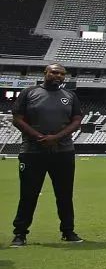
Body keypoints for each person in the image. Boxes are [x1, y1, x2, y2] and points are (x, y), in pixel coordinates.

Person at [10, 63, 84, 246]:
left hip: (63, 151)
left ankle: (68, 231)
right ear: (45, 73)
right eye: (54, 72)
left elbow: (76, 120)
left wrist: (56, 137)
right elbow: (17, 118)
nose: (58, 76)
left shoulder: (70, 96)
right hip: (32, 151)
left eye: (62, 74)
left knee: (65, 194)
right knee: (28, 194)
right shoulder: (29, 93)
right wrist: (38, 136)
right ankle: (20, 234)